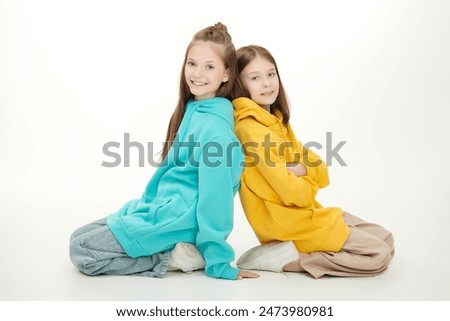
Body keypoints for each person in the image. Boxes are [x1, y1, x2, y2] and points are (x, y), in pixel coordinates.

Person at [69, 23, 259, 281]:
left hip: (179, 220)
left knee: (81, 251)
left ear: (226, 74)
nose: (197, 73)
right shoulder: (195, 109)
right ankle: (167, 247)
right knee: (78, 237)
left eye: (210, 67)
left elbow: (217, 202)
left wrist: (219, 261)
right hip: (161, 207)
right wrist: (148, 206)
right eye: (192, 64)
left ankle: (171, 257)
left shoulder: (218, 133)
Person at [232, 45, 395, 278]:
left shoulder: (275, 120)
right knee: (378, 255)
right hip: (288, 222)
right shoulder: (249, 128)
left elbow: (318, 166)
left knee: (386, 239)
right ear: (240, 84)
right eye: (255, 78)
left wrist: (301, 169)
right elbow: (295, 194)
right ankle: (291, 261)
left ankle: (296, 254)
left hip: (308, 213)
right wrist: (304, 174)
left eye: (271, 74)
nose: (267, 83)